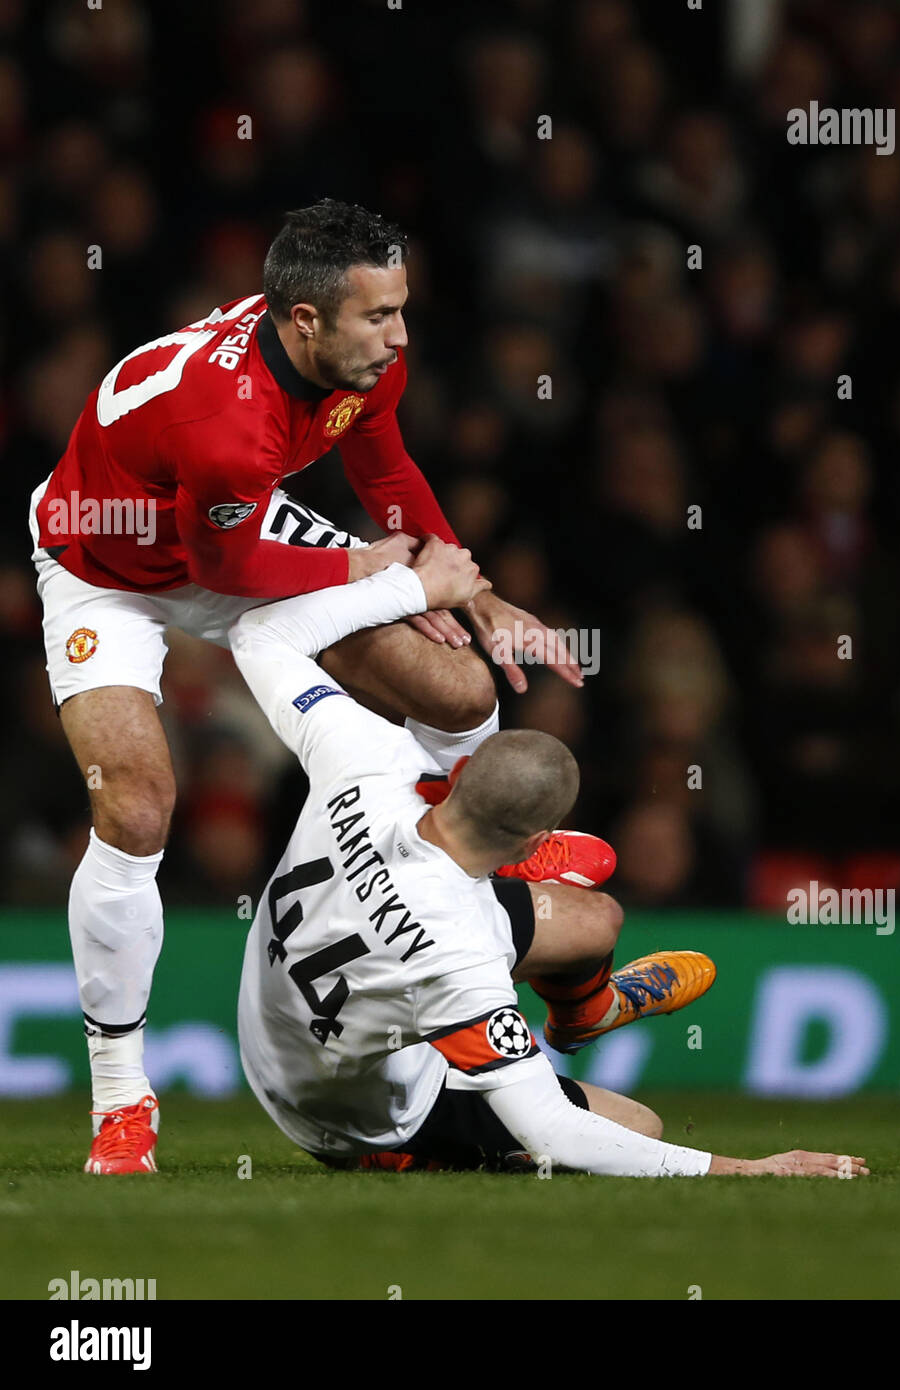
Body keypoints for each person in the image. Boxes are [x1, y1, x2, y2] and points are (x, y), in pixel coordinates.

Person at [28, 199, 581, 1172]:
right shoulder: (226, 425)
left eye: (400, 309)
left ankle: (484, 857)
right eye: (380, 316)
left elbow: (387, 469)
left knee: (457, 689)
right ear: (303, 320)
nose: (400, 335)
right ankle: (121, 1100)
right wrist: (401, 577)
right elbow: (228, 568)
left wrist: (479, 594)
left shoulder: (361, 358)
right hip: (107, 568)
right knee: (138, 809)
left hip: (231, 529)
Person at [214, 538, 865, 1181]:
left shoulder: (365, 755)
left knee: (596, 919)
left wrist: (410, 588)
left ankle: (589, 1012)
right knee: (636, 1126)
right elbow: (557, 1130)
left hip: (276, 1021)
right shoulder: (463, 954)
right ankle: (398, 1150)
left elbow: (257, 634)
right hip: (339, 1110)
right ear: (531, 847)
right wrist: (746, 1168)